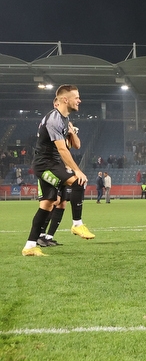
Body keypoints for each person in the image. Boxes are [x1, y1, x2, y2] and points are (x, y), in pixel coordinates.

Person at [23, 85, 91, 256]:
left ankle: (29, 246)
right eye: (76, 97)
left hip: (53, 164)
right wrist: (77, 170)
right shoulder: (54, 119)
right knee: (78, 181)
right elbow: (62, 150)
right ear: (65, 100)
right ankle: (77, 224)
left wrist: (71, 131)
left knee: (47, 204)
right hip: (45, 164)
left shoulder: (65, 120)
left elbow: (76, 145)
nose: (79, 100)